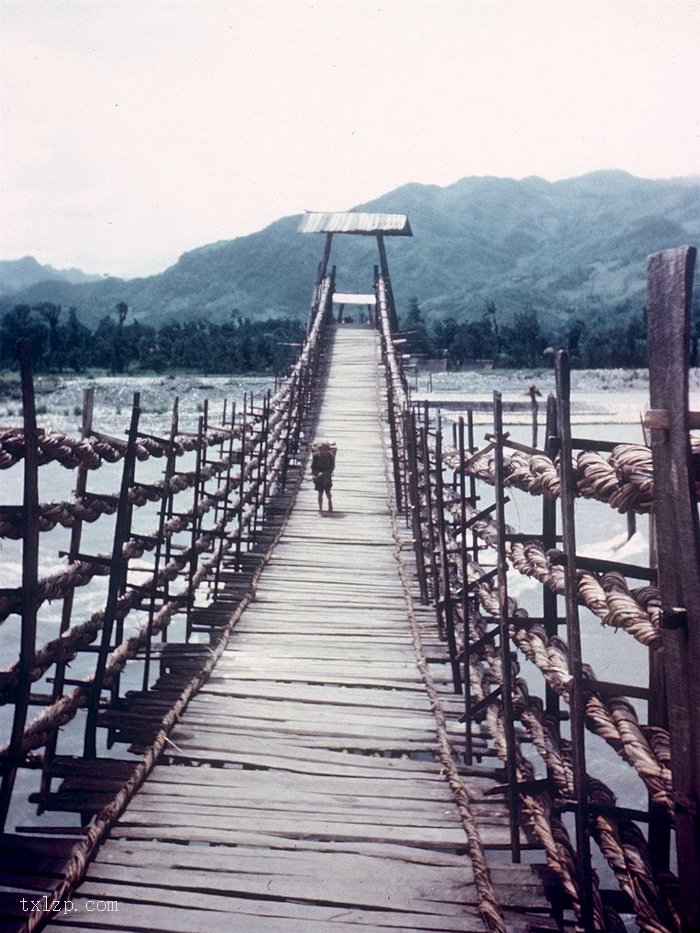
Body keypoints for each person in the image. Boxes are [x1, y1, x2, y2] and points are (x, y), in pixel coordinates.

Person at [311, 441, 336, 514]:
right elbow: (313, 467)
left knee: (328, 492)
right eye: (321, 450)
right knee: (320, 493)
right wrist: (317, 474)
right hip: (318, 477)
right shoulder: (316, 456)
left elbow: (332, 468)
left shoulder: (331, 456)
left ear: (328, 450)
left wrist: (324, 473)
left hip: (327, 476)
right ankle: (320, 509)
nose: (323, 451)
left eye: (325, 450)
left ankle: (330, 503)